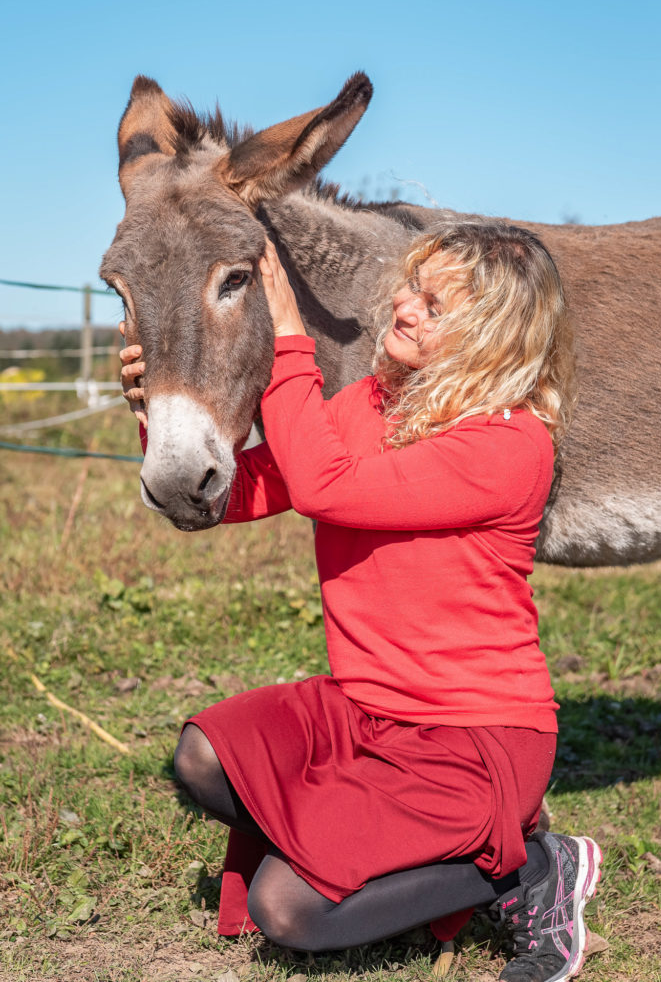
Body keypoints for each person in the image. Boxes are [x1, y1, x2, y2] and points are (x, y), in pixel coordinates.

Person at [120, 222, 601, 982]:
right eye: (412, 288)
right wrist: (155, 410)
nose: (404, 308)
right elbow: (246, 492)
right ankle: (373, 849)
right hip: (365, 709)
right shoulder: (372, 404)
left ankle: (527, 868)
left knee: (292, 911)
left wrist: (288, 339)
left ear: (494, 337)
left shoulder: (508, 447)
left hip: (472, 738)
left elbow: (324, 488)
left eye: (436, 307)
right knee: (205, 758)